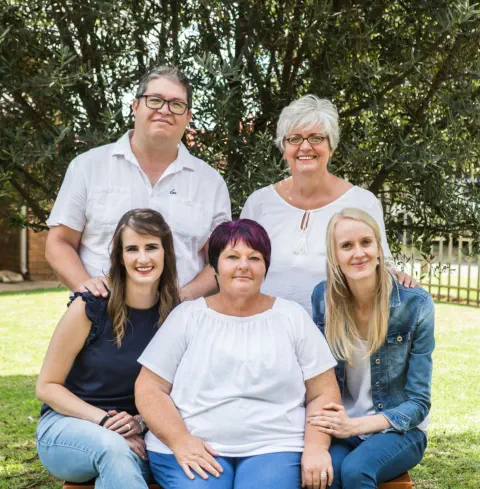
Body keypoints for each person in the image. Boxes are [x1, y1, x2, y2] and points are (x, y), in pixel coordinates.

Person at [135, 219, 341, 489]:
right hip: (192, 444)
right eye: (232, 257)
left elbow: (324, 393)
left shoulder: (291, 317)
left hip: (275, 446)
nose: (244, 265)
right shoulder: (187, 316)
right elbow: (149, 388)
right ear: (215, 267)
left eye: (254, 258)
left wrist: (316, 447)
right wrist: (179, 440)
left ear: (265, 267)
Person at [45, 65, 231, 302]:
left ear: (188, 117)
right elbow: (59, 242)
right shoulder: (88, 167)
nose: (165, 110)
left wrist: (184, 297)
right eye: (155, 100)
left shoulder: (210, 182)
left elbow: (220, 257)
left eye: (176, 104)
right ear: (135, 106)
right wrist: (87, 288)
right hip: (100, 315)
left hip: (181, 317)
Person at [36, 209, 180, 489]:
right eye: (132, 249)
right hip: (68, 426)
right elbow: (47, 386)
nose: (143, 258)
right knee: (113, 449)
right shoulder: (90, 306)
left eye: (151, 247)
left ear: (166, 253)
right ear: (120, 256)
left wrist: (140, 423)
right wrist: (105, 422)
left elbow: (183, 391)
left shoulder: (177, 315)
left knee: (118, 467)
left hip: (139, 436)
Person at [241, 94, 414, 316]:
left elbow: (380, 267)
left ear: (331, 147)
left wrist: (398, 276)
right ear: (283, 148)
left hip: (337, 332)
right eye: (294, 139)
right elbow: (240, 269)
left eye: (316, 138)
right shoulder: (259, 203)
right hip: (267, 328)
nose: (305, 147)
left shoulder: (362, 202)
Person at [310, 208, 434, 489]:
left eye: (366, 242)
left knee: (356, 470)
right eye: (346, 246)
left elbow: (418, 403)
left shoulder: (414, 304)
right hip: (342, 426)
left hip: (400, 429)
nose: (358, 253)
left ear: (379, 247)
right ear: (334, 255)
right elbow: (317, 377)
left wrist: (354, 426)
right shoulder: (323, 299)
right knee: (324, 476)